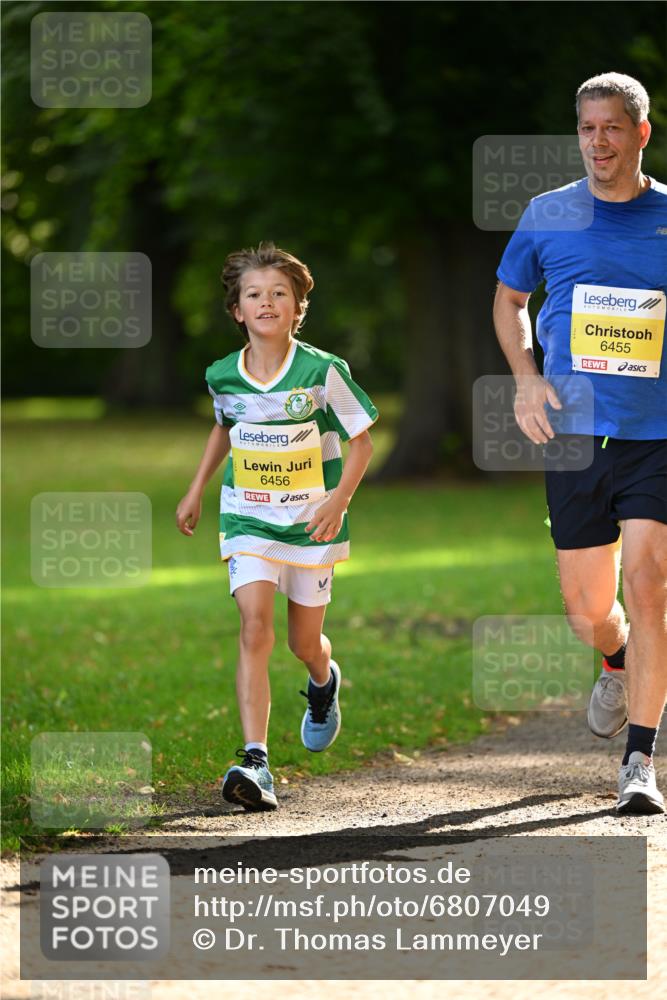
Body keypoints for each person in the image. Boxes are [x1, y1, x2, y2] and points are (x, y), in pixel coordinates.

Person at [493, 73, 667, 814]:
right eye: (587, 129)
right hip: (571, 434)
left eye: (611, 128)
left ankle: (639, 761)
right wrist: (525, 379)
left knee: (648, 581)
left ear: (640, 134)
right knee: (586, 607)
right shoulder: (548, 213)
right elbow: (508, 300)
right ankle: (614, 657)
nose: (598, 142)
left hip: (655, 433)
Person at [176, 242, 377, 811]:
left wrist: (337, 502)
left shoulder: (322, 371)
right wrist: (195, 490)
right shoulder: (222, 374)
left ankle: (322, 682)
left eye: (278, 294)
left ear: (297, 307)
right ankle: (256, 760)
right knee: (253, 627)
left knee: (301, 641)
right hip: (248, 516)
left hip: (312, 521)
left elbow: (361, 443)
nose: (266, 302)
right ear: (237, 310)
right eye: (254, 294)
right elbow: (223, 427)